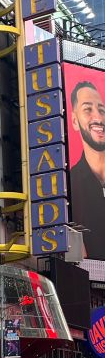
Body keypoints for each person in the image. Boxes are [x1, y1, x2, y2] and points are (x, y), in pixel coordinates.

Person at [68, 80, 105, 258]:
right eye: (88, 109)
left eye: (102, 110)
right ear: (75, 121)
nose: (98, 117)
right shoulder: (68, 185)